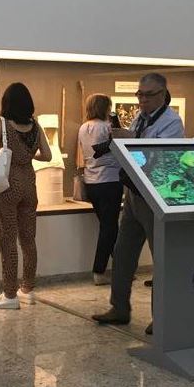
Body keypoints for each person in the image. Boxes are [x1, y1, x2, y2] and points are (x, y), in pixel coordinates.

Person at [92, 73, 184, 332]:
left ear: (163, 94)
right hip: (133, 193)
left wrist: (129, 140)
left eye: (148, 95)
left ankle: (162, 317)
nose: (142, 100)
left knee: (161, 259)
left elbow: (161, 157)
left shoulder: (172, 122)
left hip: (155, 196)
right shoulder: (140, 118)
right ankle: (119, 308)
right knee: (123, 254)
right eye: (139, 94)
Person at [0, 83, 52, 310]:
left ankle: (9, 294)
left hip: (8, 186)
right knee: (29, 239)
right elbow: (47, 156)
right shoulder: (35, 126)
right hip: (30, 184)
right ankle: (27, 289)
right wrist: (27, 156)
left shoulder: (1, 123)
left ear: (6, 103)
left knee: (8, 240)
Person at [78, 94, 122, 286]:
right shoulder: (107, 127)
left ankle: (121, 268)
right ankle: (99, 270)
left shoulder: (83, 128)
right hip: (110, 179)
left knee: (109, 226)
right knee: (109, 227)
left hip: (91, 182)